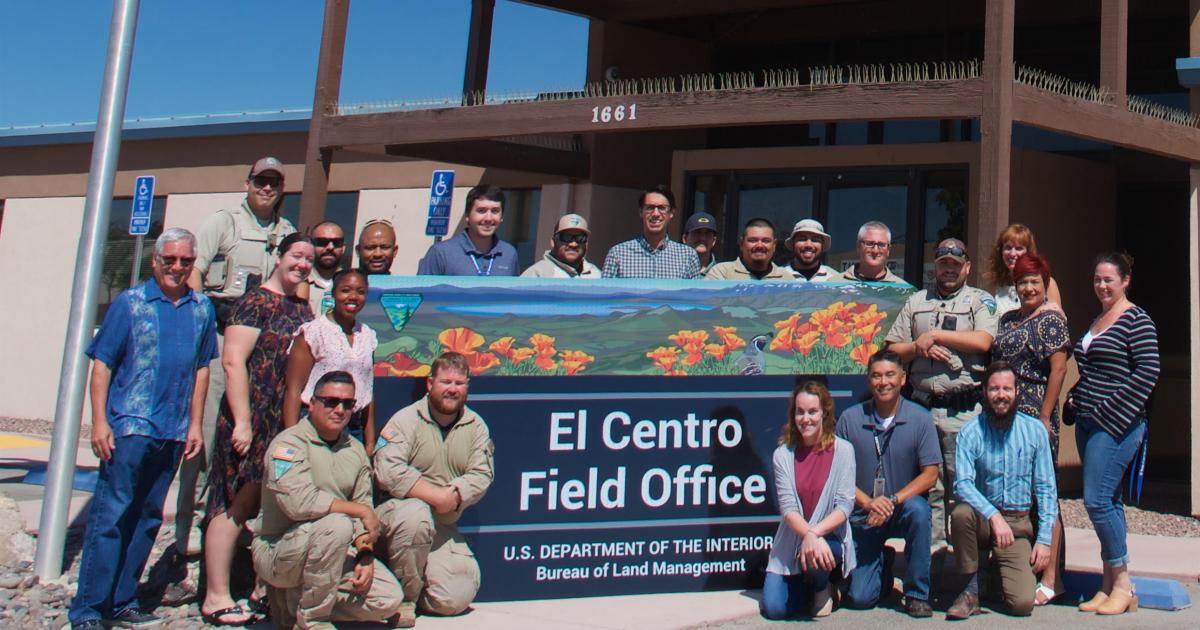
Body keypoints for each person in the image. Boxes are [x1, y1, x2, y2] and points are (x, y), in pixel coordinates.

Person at [69, 229, 218, 630]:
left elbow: (202, 369)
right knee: (111, 516)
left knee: (149, 517)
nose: (177, 267)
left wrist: (195, 424)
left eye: (185, 261)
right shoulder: (131, 304)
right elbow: (102, 364)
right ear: (155, 261)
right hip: (131, 426)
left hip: (173, 431)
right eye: (170, 259)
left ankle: (123, 601)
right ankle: (88, 609)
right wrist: (100, 421)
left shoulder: (201, 308)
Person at [175, 156, 296, 558]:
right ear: (248, 183)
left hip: (264, 348)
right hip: (221, 333)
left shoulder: (286, 232)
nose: (267, 188)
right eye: (260, 180)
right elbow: (195, 271)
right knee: (208, 431)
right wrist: (199, 320)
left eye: (274, 182)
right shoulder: (223, 223)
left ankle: (235, 518)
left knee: (253, 436)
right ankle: (191, 523)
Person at [201, 232, 315, 625]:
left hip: (283, 421)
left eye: (308, 259)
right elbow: (233, 362)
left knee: (271, 504)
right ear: (279, 257)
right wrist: (243, 422)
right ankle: (215, 597)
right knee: (234, 502)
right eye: (296, 256)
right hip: (250, 416)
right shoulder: (254, 302)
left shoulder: (301, 307)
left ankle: (261, 590)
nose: (302, 264)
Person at [252, 371, 406, 629]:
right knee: (337, 524)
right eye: (331, 402)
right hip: (279, 550)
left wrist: (364, 553)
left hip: (330, 551)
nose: (340, 410)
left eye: (348, 403)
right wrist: (356, 511)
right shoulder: (288, 445)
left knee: (388, 599)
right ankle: (313, 620)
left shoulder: (355, 450)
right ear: (312, 403)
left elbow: (363, 504)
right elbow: (299, 504)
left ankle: (292, 603)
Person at [885, 238, 998, 547]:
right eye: (944, 264)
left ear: (967, 267)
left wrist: (935, 335)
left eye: (955, 265)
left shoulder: (979, 301)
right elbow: (893, 349)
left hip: (963, 412)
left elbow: (983, 341)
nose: (949, 270)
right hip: (922, 410)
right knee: (930, 490)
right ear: (935, 266)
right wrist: (918, 346)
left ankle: (970, 567)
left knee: (967, 490)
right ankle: (932, 562)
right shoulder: (916, 301)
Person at [1068, 252, 1159, 616]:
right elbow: (1093, 370)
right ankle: (1108, 585)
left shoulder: (1137, 319)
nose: (1102, 285)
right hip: (1087, 422)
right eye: (1097, 279)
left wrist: (1108, 410)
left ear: (1125, 281)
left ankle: (1123, 584)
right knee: (1110, 501)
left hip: (1118, 425)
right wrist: (1075, 398)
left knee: (1096, 500)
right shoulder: (1098, 319)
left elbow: (1148, 371)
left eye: (1109, 279)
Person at [374, 352, 495, 619]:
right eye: (445, 382)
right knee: (415, 515)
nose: (452, 389)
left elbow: (482, 474)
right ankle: (405, 602)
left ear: (467, 387)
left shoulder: (476, 426)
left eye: (459, 383)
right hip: (396, 518)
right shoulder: (405, 420)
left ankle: (400, 585)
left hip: (439, 526)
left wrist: (456, 493)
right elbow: (386, 469)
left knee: (455, 597)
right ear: (430, 384)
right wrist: (435, 496)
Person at [947, 362, 1058, 619]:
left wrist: (1044, 541)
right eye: (994, 389)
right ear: (985, 392)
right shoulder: (970, 432)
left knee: (1022, 604)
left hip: (1017, 525)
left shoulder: (1034, 431)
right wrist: (994, 516)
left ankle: (994, 572)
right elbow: (962, 484)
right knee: (961, 514)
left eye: (1007, 389)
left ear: (1017, 392)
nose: (1001, 395)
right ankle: (971, 591)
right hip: (983, 520)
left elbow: (1046, 490)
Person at [836, 350, 940, 617]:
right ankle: (883, 561)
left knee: (919, 511)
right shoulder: (849, 419)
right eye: (876, 376)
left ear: (903, 379)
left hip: (902, 508)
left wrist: (893, 501)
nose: (883, 382)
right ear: (869, 380)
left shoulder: (920, 418)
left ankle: (916, 593)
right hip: (864, 513)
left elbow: (930, 474)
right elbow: (837, 476)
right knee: (861, 598)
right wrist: (869, 503)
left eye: (890, 375)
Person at [991, 253, 1070, 604]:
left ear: (1045, 284)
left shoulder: (1051, 320)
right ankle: (1015, 570)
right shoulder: (1008, 319)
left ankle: (1053, 578)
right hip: (1005, 416)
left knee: (1044, 493)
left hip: (1036, 414)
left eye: (1034, 282)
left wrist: (1045, 416)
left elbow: (1058, 370)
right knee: (1011, 489)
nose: (1028, 288)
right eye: (1022, 282)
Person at [762, 381, 856, 620]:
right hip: (794, 539)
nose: (806, 419)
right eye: (800, 412)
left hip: (830, 539)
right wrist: (808, 534)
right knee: (775, 609)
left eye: (812, 412)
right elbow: (788, 509)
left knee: (817, 553)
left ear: (825, 412)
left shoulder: (844, 450)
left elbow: (845, 506)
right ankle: (807, 584)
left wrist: (815, 535)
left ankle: (821, 587)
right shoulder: (782, 455)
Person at [284, 268, 379, 454]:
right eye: (345, 290)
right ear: (334, 293)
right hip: (316, 424)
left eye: (360, 292)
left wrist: (369, 441)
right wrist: (292, 441)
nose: (353, 297)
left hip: (353, 427)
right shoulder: (313, 332)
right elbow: (293, 390)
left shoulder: (368, 336)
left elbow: (367, 391)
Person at [602, 185, 701, 279]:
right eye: (650, 208)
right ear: (641, 212)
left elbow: (695, 291)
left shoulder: (688, 256)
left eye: (662, 208)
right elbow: (604, 290)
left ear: (671, 213)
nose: (655, 214)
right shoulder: (618, 254)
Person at [418, 184, 519, 276]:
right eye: (481, 211)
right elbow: (422, 289)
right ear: (467, 216)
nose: (488, 218)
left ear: (501, 217)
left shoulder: (509, 254)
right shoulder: (441, 253)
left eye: (495, 211)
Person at [985, 223, 1063, 317]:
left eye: (1019, 248)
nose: (1012, 253)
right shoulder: (996, 285)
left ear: (1028, 252)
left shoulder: (1048, 284)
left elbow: (1056, 319)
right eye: (1008, 248)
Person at [704, 218, 791, 280]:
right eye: (753, 240)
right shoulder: (722, 272)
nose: (759, 246)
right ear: (742, 244)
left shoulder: (786, 278)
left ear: (774, 245)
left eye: (766, 241)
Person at [521, 213, 601, 278]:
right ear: (553, 242)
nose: (573, 244)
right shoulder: (537, 275)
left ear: (586, 244)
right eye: (566, 237)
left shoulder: (597, 275)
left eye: (580, 238)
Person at [840, 221, 906, 283]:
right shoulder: (836, 285)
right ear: (858, 247)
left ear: (888, 250)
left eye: (881, 245)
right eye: (869, 244)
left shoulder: (902, 289)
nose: (875, 251)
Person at [307, 220, 347, 316]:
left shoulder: (352, 285)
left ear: (343, 248)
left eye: (336, 243)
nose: (330, 247)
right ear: (311, 245)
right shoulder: (297, 283)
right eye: (322, 242)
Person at [683, 211, 720, 276]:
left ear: (714, 241)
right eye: (697, 232)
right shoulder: (675, 268)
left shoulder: (721, 273)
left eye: (707, 233)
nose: (702, 238)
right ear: (685, 238)